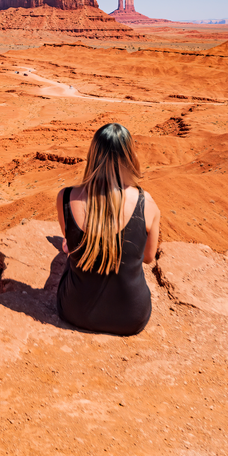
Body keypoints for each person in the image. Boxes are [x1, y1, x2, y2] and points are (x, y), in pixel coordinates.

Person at [55, 123, 160, 335]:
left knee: (67, 259)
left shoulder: (65, 197)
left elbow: (71, 237)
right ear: (129, 156)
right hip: (130, 318)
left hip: (75, 312)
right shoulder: (145, 202)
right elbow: (148, 258)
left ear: (93, 154)